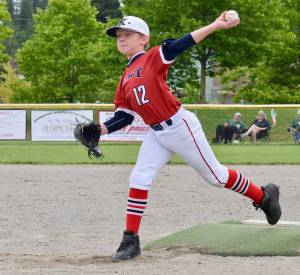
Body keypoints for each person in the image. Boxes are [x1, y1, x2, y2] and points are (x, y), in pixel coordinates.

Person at [99, 13, 281, 260]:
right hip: (157, 133)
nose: (121, 39)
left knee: (216, 176)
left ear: (143, 39)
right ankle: (130, 240)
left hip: (180, 127)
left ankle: (264, 195)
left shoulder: (153, 57)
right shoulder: (125, 77)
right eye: (118, 36)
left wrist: (216, 25)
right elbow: (125, 116)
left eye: (127, 34)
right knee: (139, 178)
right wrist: (101, 130)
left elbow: (180, 44)